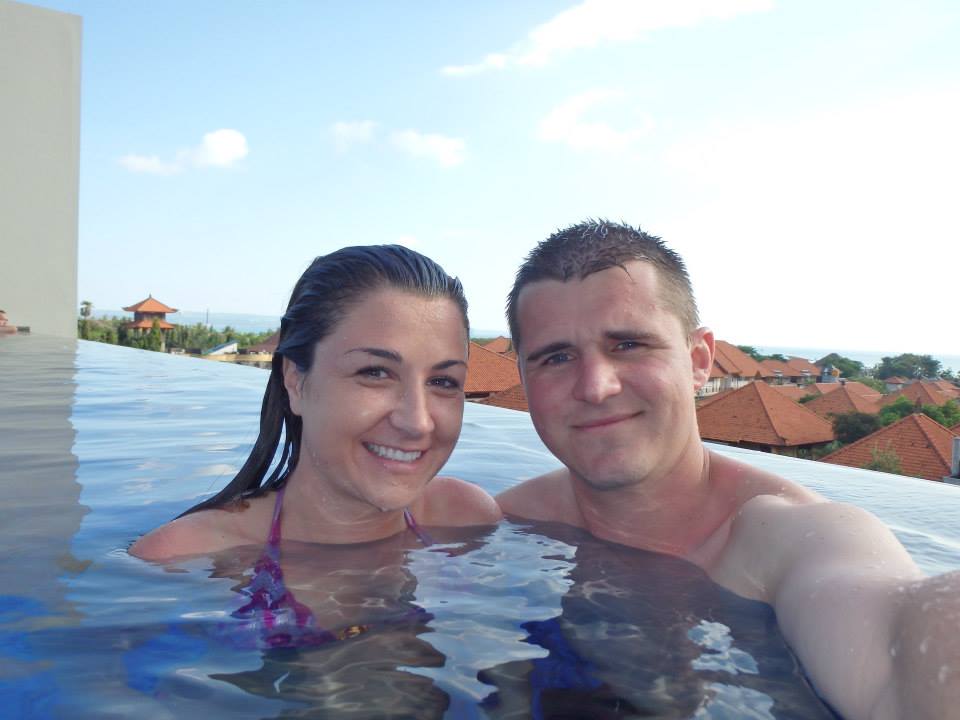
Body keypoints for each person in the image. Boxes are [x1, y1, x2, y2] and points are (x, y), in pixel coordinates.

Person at [496, 220, 959, 720]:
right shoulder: (504, 520)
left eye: (628, 345)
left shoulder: (786, 538)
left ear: (699, 360)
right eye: (556, 357)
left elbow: (897, 644)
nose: (595, 387)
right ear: (524, 377)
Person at [131, 244, 501, 564]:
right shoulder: (184, 558)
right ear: (294, 380)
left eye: (443, 381)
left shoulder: (466, 520)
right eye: (375, 372)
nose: (417, 422)